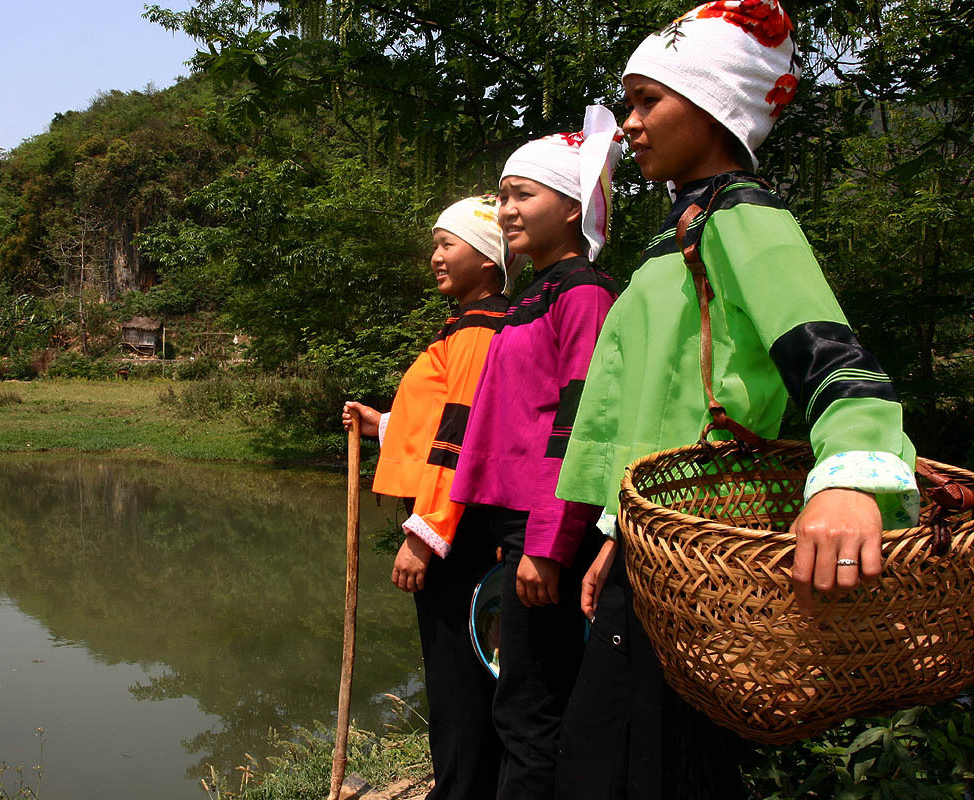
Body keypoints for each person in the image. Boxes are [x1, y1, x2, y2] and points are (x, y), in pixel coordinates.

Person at [555, 3, 918, 797]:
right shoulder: (676, 235)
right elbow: (658, 403)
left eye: (650, 99)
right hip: (654, 550)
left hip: (708, 558)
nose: (630, 123)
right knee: (597, 759)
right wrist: (617, 534)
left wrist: (854, 478)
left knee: (665, 767)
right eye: (630, 102)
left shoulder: (742, 219)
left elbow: (832, 356)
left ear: (715, 105)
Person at [447, 106, 624, 800]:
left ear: (574, 204)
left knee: (531, 706)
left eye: (523, 194)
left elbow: (580, 424)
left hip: (549, 528)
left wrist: (548, 544)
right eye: (502, 195)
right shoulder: (532, 295)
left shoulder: (582, 293)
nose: (505, 210)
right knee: (519, 693)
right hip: (516, 527)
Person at [343, 195, 518, 800]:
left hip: (460, 533)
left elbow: (463, 437)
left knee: (459, 681)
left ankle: (461, 791)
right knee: (469, 672)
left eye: (448, 244)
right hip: (467, 527)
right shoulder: (476, 326)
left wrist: (423, 535)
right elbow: (451, 418)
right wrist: (385, 424)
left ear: (491, 258)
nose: (435, 256)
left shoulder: (477, 331)